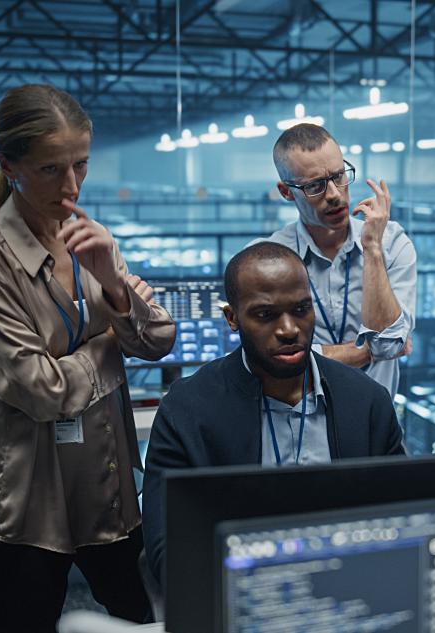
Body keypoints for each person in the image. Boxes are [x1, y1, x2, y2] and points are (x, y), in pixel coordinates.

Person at [0, 84, 176, 632]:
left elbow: (159, 339)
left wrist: (115, 288)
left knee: (139, 618)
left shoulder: (90, 240)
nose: (72, 186)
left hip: (106, 483)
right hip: (30, 500)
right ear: (9, 164)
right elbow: (41, 389)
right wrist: (109, 344)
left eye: (81, 165)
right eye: (52, 170)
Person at [141, 241, 407, 582]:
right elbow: (169, 554)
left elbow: (402, 522)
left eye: (300, 310)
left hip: (349, 589)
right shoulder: (187, 411)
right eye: (266, 315)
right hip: (238, 598)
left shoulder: (367, 402)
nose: (288, 330)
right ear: (232, 318)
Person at [262, 124, 417, 396]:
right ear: (287, 192)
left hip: (375, 428)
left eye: (338, 176)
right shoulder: (269, 260)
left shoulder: (390, 243)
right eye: (315, 186)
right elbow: (267, 359)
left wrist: (372, 249)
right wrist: (365, 351)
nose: (334, 194)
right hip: (299, 428)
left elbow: (389, 346)